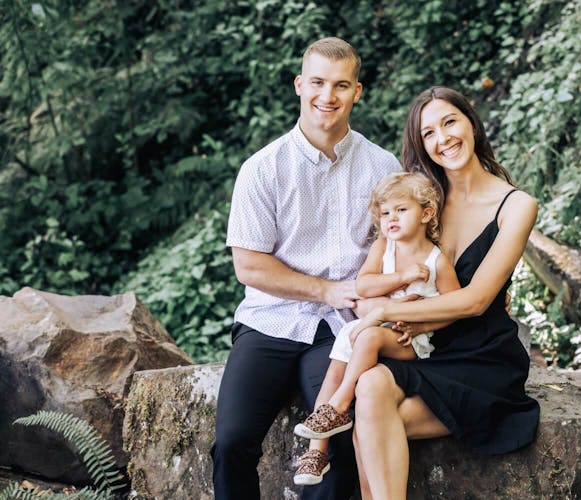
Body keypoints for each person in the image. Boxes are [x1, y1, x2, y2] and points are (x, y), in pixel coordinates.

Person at [211, 37, 401, 500]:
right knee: (231, 443)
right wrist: (327, 290)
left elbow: (399, 250)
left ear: (358, 91)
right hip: (270, 321)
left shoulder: (383, 166)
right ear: (300, 85)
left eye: (340, 85)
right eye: (317, 82)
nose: (327, 96)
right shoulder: (262, 169)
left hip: (344, 331)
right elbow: (250, 267)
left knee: (336, 448)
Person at [350, 86, 541, 499]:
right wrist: (383, 307)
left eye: (450, 122)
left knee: (370, 424)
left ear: (471, 122)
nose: (443, 139)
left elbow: (475, 299)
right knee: (369, 391)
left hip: (482, 358)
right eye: (429, 133)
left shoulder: (516, 205)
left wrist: (389, 313)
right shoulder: (416, 202)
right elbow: (366, 289)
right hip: (427, 349)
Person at [292, 172, 460, 486]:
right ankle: (316, 452)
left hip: (411, 338)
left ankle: (339, 405)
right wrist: (401, 277)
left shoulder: (437, 260)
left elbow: (455, 308)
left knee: (366, 336)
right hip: (374, 325)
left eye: (401, 210)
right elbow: (365, 284)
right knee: (336, 364)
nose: (391, 218)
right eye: (385, 213)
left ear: (426, 213)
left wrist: (420, 322)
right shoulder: (385, 247)